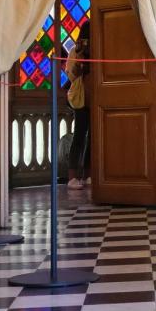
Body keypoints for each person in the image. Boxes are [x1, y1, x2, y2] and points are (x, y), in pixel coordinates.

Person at [65, 26, 91, 190]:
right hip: (81, 96)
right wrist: (82, 54)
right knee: (80, 135)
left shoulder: (100, 49)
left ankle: (88, 174)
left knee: (94, 137)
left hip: (94, 96)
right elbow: (72, 73)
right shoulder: (75, 51)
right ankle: (72, 177)